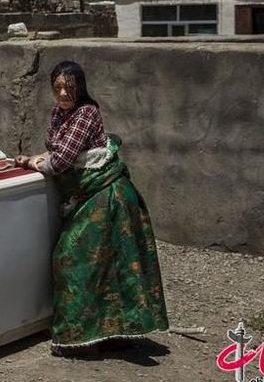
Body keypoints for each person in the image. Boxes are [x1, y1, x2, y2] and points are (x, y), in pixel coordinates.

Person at [15, 60, 169, 356]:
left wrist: (33, 163)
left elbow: (60, 162)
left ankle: (80, 339)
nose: (62, 93)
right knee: (105, 266)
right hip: (90, 195)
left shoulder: (86, 113)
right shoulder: (60, 113)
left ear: (80, 88)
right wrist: (35, 156)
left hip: (107, 196)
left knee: (74, 257)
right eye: (57, 87)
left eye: (68, 87)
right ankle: (109, 333)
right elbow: (57, 151)